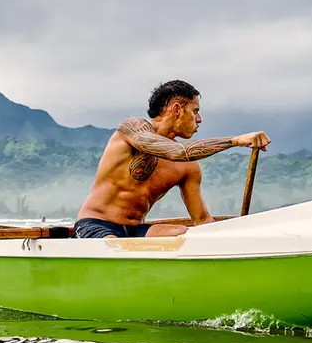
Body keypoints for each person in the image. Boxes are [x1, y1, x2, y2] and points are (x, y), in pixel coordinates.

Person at [74, 80, 271, 238]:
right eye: (195, 111)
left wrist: (238, 239)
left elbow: (202, 220)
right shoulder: (133, 129)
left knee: (180, 233)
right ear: (177, 109)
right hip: (96, 224)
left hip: (135, 231)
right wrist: (235, 141)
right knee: (113, 245)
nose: (200, 119)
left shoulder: (189, 167)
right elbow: (175, 152)